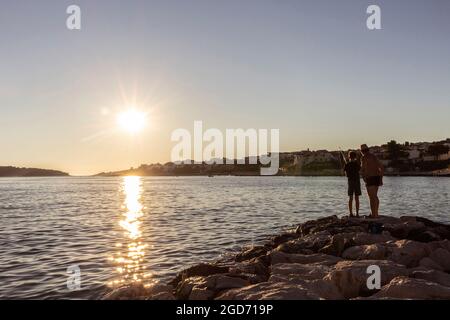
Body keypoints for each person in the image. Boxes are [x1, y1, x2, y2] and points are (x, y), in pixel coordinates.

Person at [360, 144, 384, 218]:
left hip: (370, 178)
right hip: (376, 177)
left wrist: (363, 176)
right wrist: (381, 178)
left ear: (362, 151)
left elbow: (363, 169)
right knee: (375, 196)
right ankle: (375, 213)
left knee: (372, 197)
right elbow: (381, 167)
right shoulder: (374, 156)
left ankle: (374, 214)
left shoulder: (363, 158)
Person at [343, 151, 361, 218]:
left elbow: (345, 174)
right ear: (355, 157)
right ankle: (357, 214)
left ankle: (350, 213)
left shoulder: (347, 164)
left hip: (350, 182)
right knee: (357, 198)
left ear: (349, 157)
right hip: (357, 181)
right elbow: (359, 170)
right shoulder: (357, 164)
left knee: (350, 198)